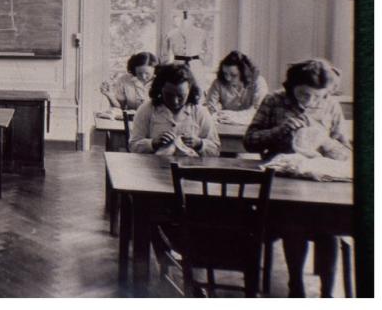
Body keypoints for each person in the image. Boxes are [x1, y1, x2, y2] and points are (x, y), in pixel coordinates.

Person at [243, 58, 350, 297]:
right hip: (281, 182)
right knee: (294, 222)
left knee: (328, 228)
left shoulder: (330, 105)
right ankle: (296, 287)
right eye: (303, 94)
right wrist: (279, 131)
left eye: (317, 96)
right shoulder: (274, 100)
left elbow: (346, 154)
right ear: (292, 85)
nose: (309, 101)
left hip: (318, 182)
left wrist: (325, 141)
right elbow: (249, 141)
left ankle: (327, 293)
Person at [128, 63, 220, 157]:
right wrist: (153, 143)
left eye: (181, 96)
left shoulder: (200, 112)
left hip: (189, 168)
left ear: (190, 91)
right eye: (169, 95)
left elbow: (215, 150)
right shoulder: (147, 109)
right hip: (155, 168)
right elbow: (133, 146)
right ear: (160, 89)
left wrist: (199, 144)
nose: (175, 101)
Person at [205, 50, 269, 125]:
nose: (228, 78)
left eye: (233, 75)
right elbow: (210, 108)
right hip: (225, 125)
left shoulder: (258, 82)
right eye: (225, 74)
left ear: (244, 73)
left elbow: (258, 111)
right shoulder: (218, 83)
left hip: (251, 126)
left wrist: (233, 117)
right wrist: (215, 114)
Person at [99, 51, 158, 119]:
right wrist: (110, 95)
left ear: (155, 70)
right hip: (131, 122)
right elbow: (120, 108)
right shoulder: (125, 80)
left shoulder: (162, 82)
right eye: (139, 73)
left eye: (147, 74)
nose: (143, 77)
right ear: (134, 70)